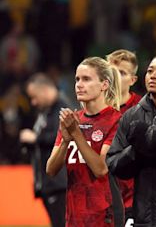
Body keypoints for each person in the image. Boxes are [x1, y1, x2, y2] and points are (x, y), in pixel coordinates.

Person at [46, 57, 124, 226]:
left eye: (86, 79)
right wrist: (66, 141)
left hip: (105, 215)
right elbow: (51, 170)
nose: (79, 84)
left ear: (104, 84)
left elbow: (101, 169)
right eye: (77, 79)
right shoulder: (72, 120)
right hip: (74, 215)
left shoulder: (116, 120)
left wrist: (76, 134)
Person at [107, 53, 156, 226]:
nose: (153, 76)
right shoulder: (132, 116)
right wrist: (138, 150)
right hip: (142, 214)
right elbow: (113, 163)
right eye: (150, 71)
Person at [19, 73, 69, 227]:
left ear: (45, 90)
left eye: (34, 97)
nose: (33, 102)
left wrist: (35, 139)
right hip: (49, 183)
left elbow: (62, 137)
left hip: (59, 183)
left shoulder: (62, 108)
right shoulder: (46, 111)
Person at [106, 49, 142, 224]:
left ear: (133, 80)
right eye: (111, 71)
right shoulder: (94, 108)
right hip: (103, 198)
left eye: (121, 72)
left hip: (134, 197)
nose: (115, 77)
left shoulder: (142, 108)